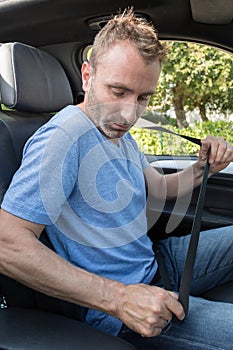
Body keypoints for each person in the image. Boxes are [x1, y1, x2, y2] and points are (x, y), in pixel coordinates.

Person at [0, 8, 233, 350]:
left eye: (143, 98)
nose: (130, 113)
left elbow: (157, 187)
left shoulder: (117, 134)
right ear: (87, 75)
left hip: (158, 263)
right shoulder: (63, 136)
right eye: (118, 91)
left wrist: (202, 168)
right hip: (120, 312)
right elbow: (8, 244)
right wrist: (120, 299)